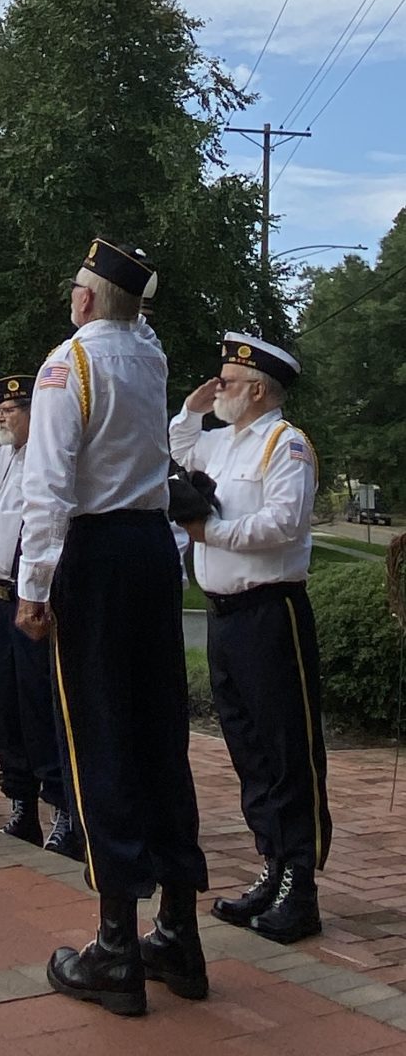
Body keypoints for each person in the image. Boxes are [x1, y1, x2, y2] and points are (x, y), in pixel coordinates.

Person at [17, 237, 208, 1018]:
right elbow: (141, 324)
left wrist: (32, 586)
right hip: (149, 554)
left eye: (76, 287)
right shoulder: (147, 358)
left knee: (100, 739)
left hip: (94, 553)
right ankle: (178, 934)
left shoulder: (69, 363)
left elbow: (49, 480)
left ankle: (114, 949)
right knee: (158, 736)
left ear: (86, 300)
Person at [171, 331, 331, 945]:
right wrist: (190, 407)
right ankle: (272, 866)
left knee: (287, 748)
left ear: (259, 389)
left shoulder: (284, 445)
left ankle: (301, 886)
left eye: (228, 383)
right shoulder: (226, 442)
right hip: (225, 616)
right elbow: (179, 447)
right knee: (250, 750)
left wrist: (210, 533)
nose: (219, 390)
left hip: (271, 614)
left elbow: (284, 524)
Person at [0, 374, 82, 858]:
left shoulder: (45, 457)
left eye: (12, 409)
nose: (3, 416)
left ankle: (64, 811)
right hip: (4, 593)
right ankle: (22, 803)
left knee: (39, 705)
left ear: (37, 413)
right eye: (1, 409)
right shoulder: (4, 457)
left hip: (37, 596)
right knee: (7, 705)